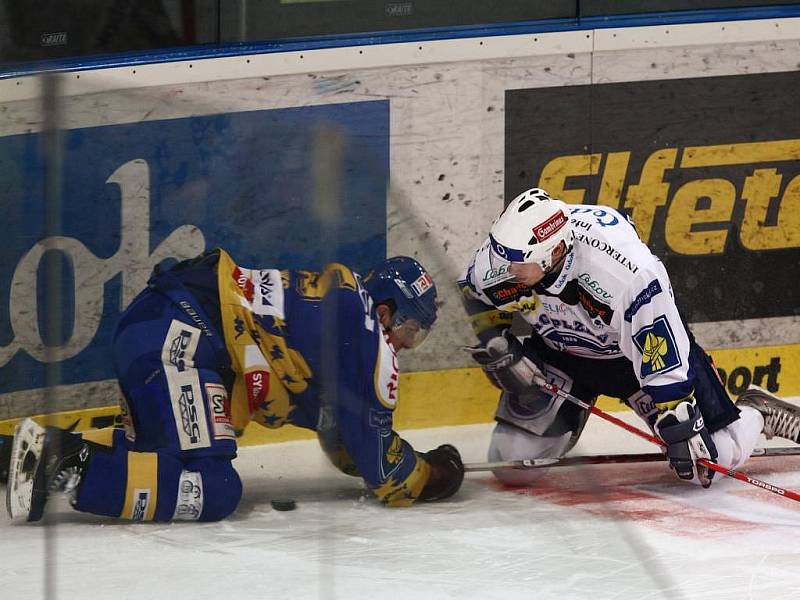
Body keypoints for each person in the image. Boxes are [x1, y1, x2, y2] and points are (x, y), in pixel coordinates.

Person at [5, 248, 464, 522]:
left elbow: (350, 445)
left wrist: (387, 457)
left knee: (158, 463)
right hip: (182, 339)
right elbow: (387, 480)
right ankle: (63, 466)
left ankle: (20, 453)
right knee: (214, 488)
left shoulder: (340, 310)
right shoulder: (368, 342)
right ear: (385, 312)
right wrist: (438, 473)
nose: (405, 343)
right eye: (409, 328)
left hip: (157, 325)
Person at [458, 187, 800, 486]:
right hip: (559, 352)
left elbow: (658, 349)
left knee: (707, 463)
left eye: (519, 265)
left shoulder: (626, 273)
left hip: (635, 362)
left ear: (555, 253)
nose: (507, 270)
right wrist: (497, 340)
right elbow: (475, 293)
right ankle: (569, 409)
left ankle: (758, 410)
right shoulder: (506, 255)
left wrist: (676, 414)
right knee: (512, 463)